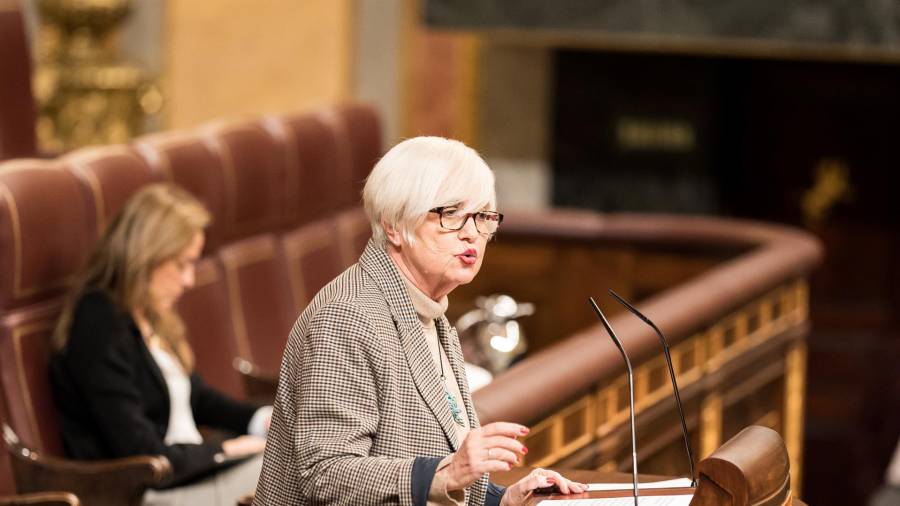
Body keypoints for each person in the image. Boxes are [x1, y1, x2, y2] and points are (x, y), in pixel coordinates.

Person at [254, 137, 586, 505]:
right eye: (451, 214)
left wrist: (502, 499)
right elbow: (327, 472)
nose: (472, 232)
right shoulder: (347, 316)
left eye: (482, 217)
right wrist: (448, 472)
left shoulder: (429, 310)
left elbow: (435, 454)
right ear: (395, 225)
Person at [50, 184, 271, 505]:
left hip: (194, 471)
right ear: (146, 255)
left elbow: (197, 398)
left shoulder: (150, 313)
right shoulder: (98, 323)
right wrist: (226, 450)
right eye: (182, 264)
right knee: (295, 470)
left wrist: (263, 420)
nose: (189, 280)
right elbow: (139, 451)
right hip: (148, 491)